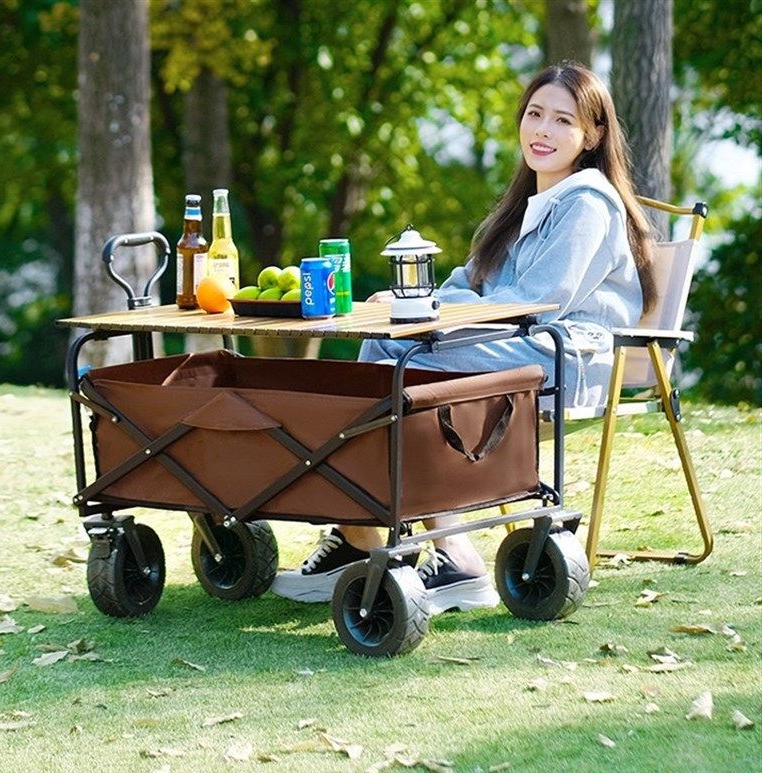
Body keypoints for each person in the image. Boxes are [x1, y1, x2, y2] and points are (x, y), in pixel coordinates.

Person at [271, 62, 655, 613]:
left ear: (592, 136)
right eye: (534, 114)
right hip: (518, 345)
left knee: (398, 350)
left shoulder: (587, 203)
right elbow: (463, 282)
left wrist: (425, 312)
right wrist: (413, 303)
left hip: (560, 354)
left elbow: (540, 299)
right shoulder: (527, 204)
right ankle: (392, 540)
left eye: (562, 121)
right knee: (393, 345)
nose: (542, 130)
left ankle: (383, 539)